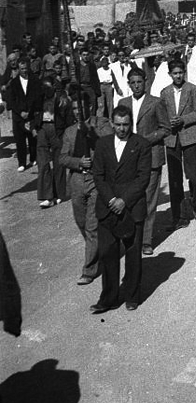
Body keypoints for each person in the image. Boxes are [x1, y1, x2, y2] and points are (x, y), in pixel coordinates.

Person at [90, 104, 151, 313]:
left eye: (126, 125)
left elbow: (143, 177)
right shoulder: (102, 144)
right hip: (107, 207)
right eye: (118, 124)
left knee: (133, 255)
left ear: (131, 124)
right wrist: (111, 199)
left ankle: (132, 296)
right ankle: (108, 299)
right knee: (108, 254)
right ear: (112, 124)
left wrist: (124, 200)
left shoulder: (141, 144)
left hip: (132, 207)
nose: (122, 129)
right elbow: (98, 175)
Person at [60, 97, 109, 285]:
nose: (77, 112)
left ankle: (89, 269)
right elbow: (62, 158)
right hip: (77, 181)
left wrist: (91, 133)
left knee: (92, 226)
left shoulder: (101, 124)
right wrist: (78, 162)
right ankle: (97, 250)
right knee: (81, 222)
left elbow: (110, 143)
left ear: (89, 106)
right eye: (73, 108)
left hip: (96, 181)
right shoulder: (69, 132)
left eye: (80, 107)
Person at [120, 67, 168, 255]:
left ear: (145, 82)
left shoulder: (156, 103)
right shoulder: (123, 103)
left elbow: (165, 128)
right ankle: (131, 236)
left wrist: (146, 140)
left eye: (139, 82)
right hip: (129, 158)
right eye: (133, 82)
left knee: (149, 199)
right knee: (130, 198)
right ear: (129, 84)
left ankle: (146, 241)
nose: (137, 86)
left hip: (151, 156)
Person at [160, 59, 196, 230]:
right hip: (172, 139)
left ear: (184, 73)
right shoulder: (164, 93)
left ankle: (195, 200)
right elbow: (162, 116)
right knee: (174, 179)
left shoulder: (192, 89)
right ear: (170, 74)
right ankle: (178, 216)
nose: (178, 76)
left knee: (194, 175)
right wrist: (169, 122)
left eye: (180, 72)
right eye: (175, 73)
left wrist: (183, 120)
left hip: (190, 136)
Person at [35, 72, 73, 207]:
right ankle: (47, 196)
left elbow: (69, 119)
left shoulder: (63, 100)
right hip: (43, 129)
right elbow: (33, 110)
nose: (45, 90)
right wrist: (35, 125)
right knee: (43, 163)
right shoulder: (40, 98)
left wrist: (68, 136)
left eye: (48, 87)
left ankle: (59, 194)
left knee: (59, 163)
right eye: (43, 87)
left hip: (57, 130)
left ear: (54, 87)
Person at [5, 57, 43, 171]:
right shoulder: (14, 83)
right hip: (18, 116)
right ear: (18, 69)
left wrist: (29, 111)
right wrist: (20, 112)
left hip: (30, 114)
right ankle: (21, 163)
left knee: (32, 138)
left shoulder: (34, 80)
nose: (24, 71)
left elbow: (37, 97)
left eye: (26, 68)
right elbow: (11, 100)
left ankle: (33, 158)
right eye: (22, 69)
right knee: (20, 140)